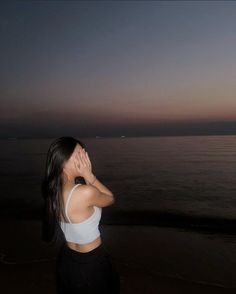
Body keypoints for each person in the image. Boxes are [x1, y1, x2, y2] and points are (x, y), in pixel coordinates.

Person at [41, 136, 121, 294]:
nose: (85, 156)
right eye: (80, 153)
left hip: (68, 261)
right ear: (64, 160)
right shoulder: (84, 192)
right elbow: (110, 198)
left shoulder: (53, 192)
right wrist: (89, 175)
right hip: (92, 263)